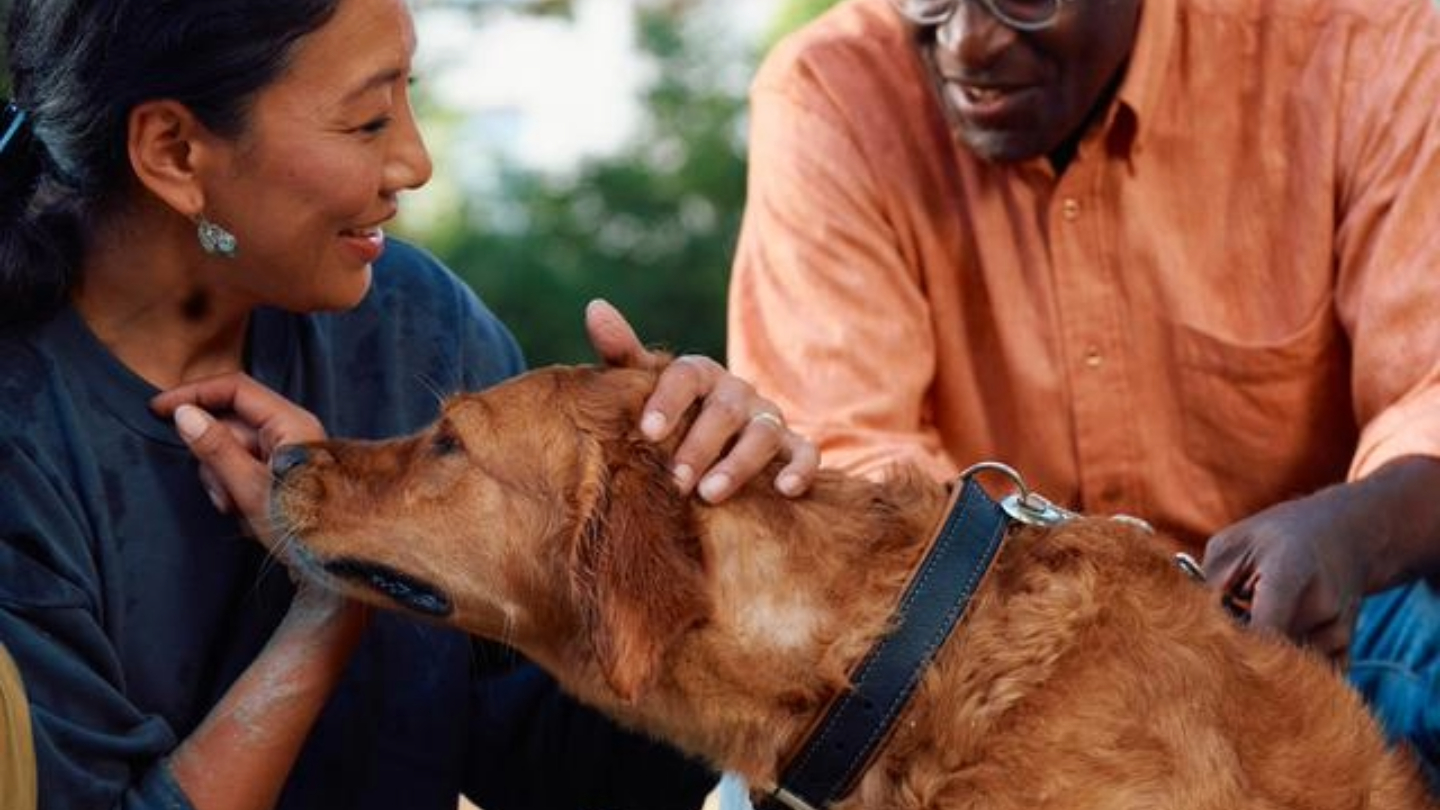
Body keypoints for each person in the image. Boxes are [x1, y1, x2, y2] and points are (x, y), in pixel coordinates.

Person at [0, 1, 819, 808]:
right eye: (366, 122)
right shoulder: (21, 443)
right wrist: (335, 584)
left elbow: (563, 772)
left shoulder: (419, 328)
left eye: (407, 97)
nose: (416, 162)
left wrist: (695, 538)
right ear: (175, 151)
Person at [727, 0, 1440, 790]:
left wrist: (1349, 535)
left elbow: (1430, 388)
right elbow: (846, 472)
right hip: (992, 667)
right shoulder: (828, 96)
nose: (968, 42)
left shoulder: (1361, 48)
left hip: (1326, 640)